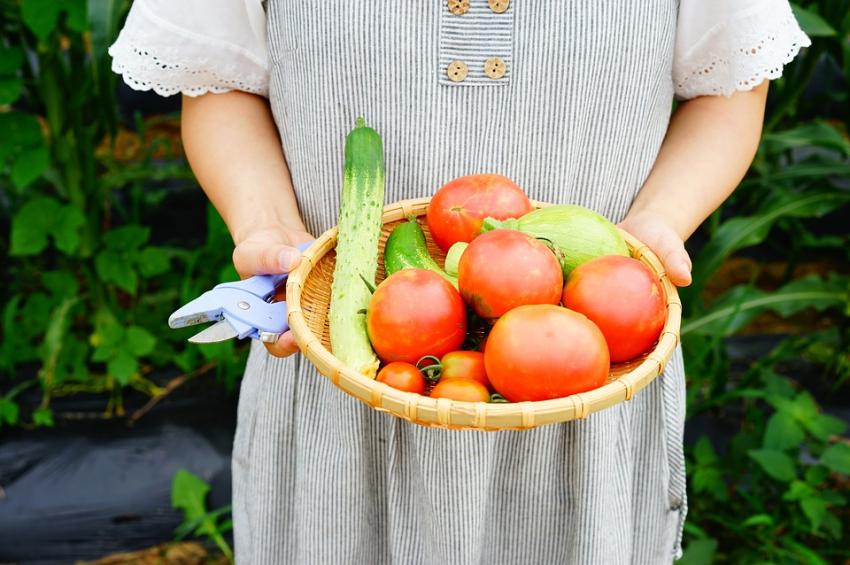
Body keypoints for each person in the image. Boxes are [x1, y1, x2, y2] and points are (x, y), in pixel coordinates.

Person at [110, 1, 810, 563]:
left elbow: (731, 83)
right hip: (342, 358)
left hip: (589, 381)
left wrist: (658, 223)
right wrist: (265, 224)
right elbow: (219, 79)